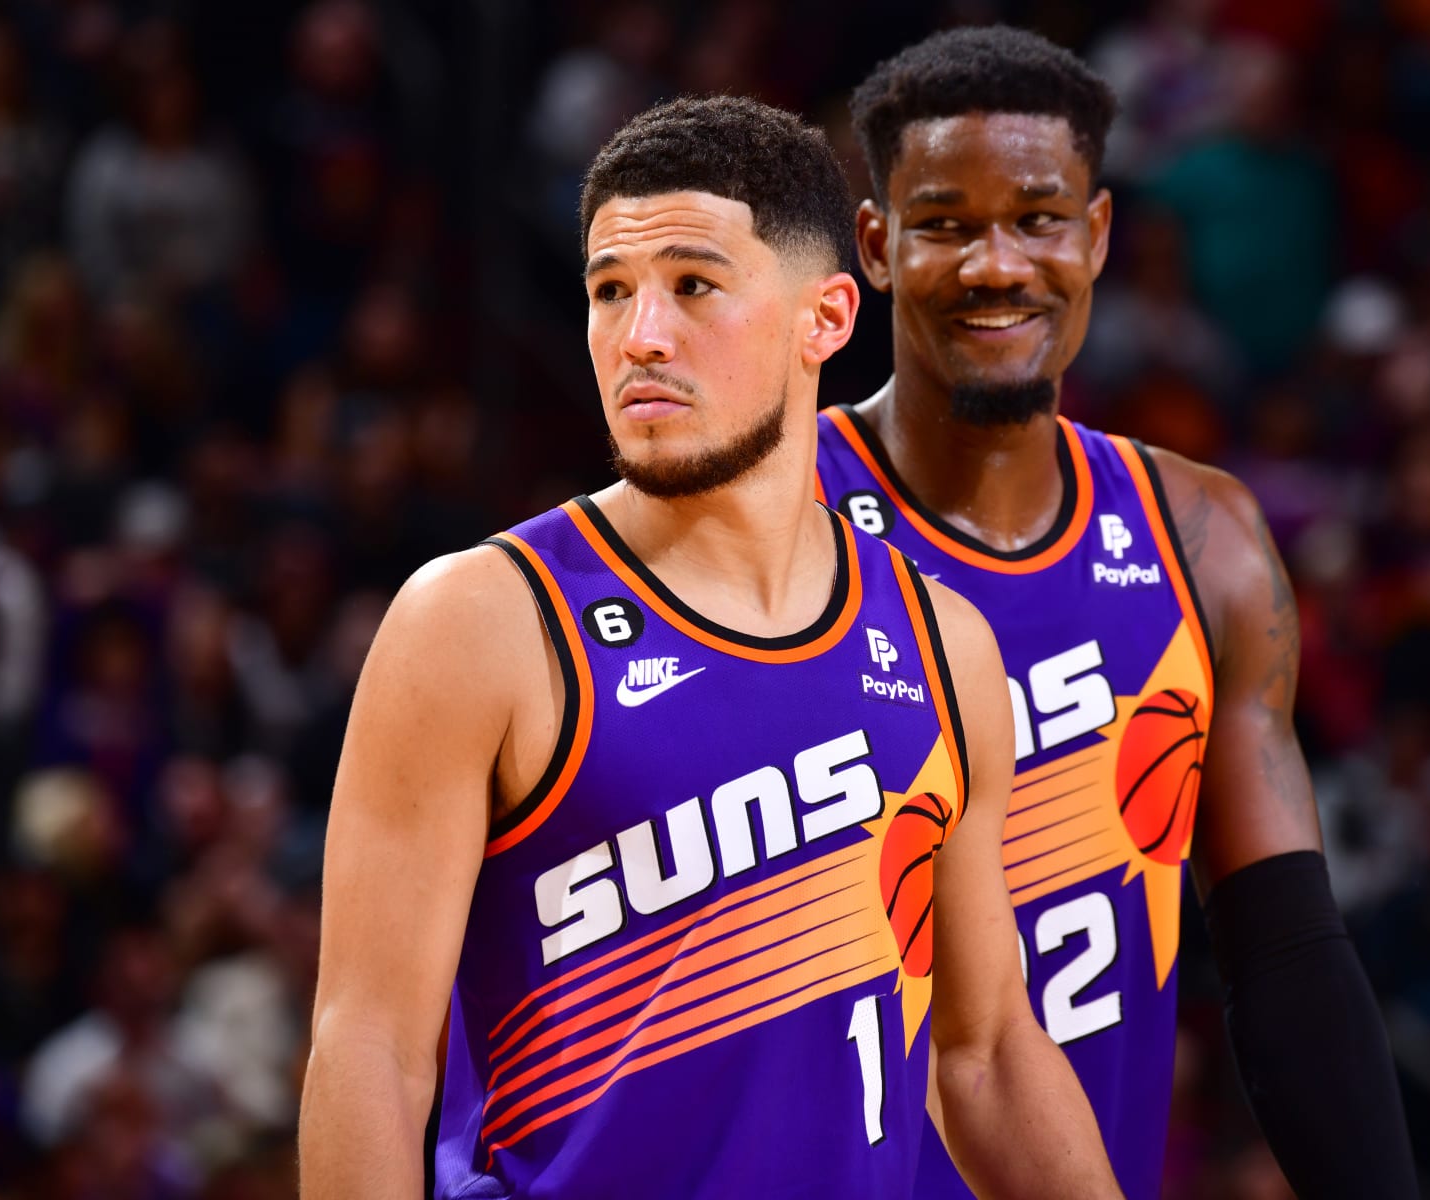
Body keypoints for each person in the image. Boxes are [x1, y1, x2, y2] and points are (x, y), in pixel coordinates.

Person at [298, 95, 1119, 1199]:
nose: (639, 336)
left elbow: (984, 1055)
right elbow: (372, 1051)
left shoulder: (940, 643)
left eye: (692, 286)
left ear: (823, 319)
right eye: (608, 291)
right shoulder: (481, 621)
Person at [819, 27, 1415, 1199]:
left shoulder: (1205, 542)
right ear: (879, 248)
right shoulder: (766, 528)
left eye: (1038, 218)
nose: (997, 265)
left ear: (1095, 237)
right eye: (944, 224)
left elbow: (1286, 955)